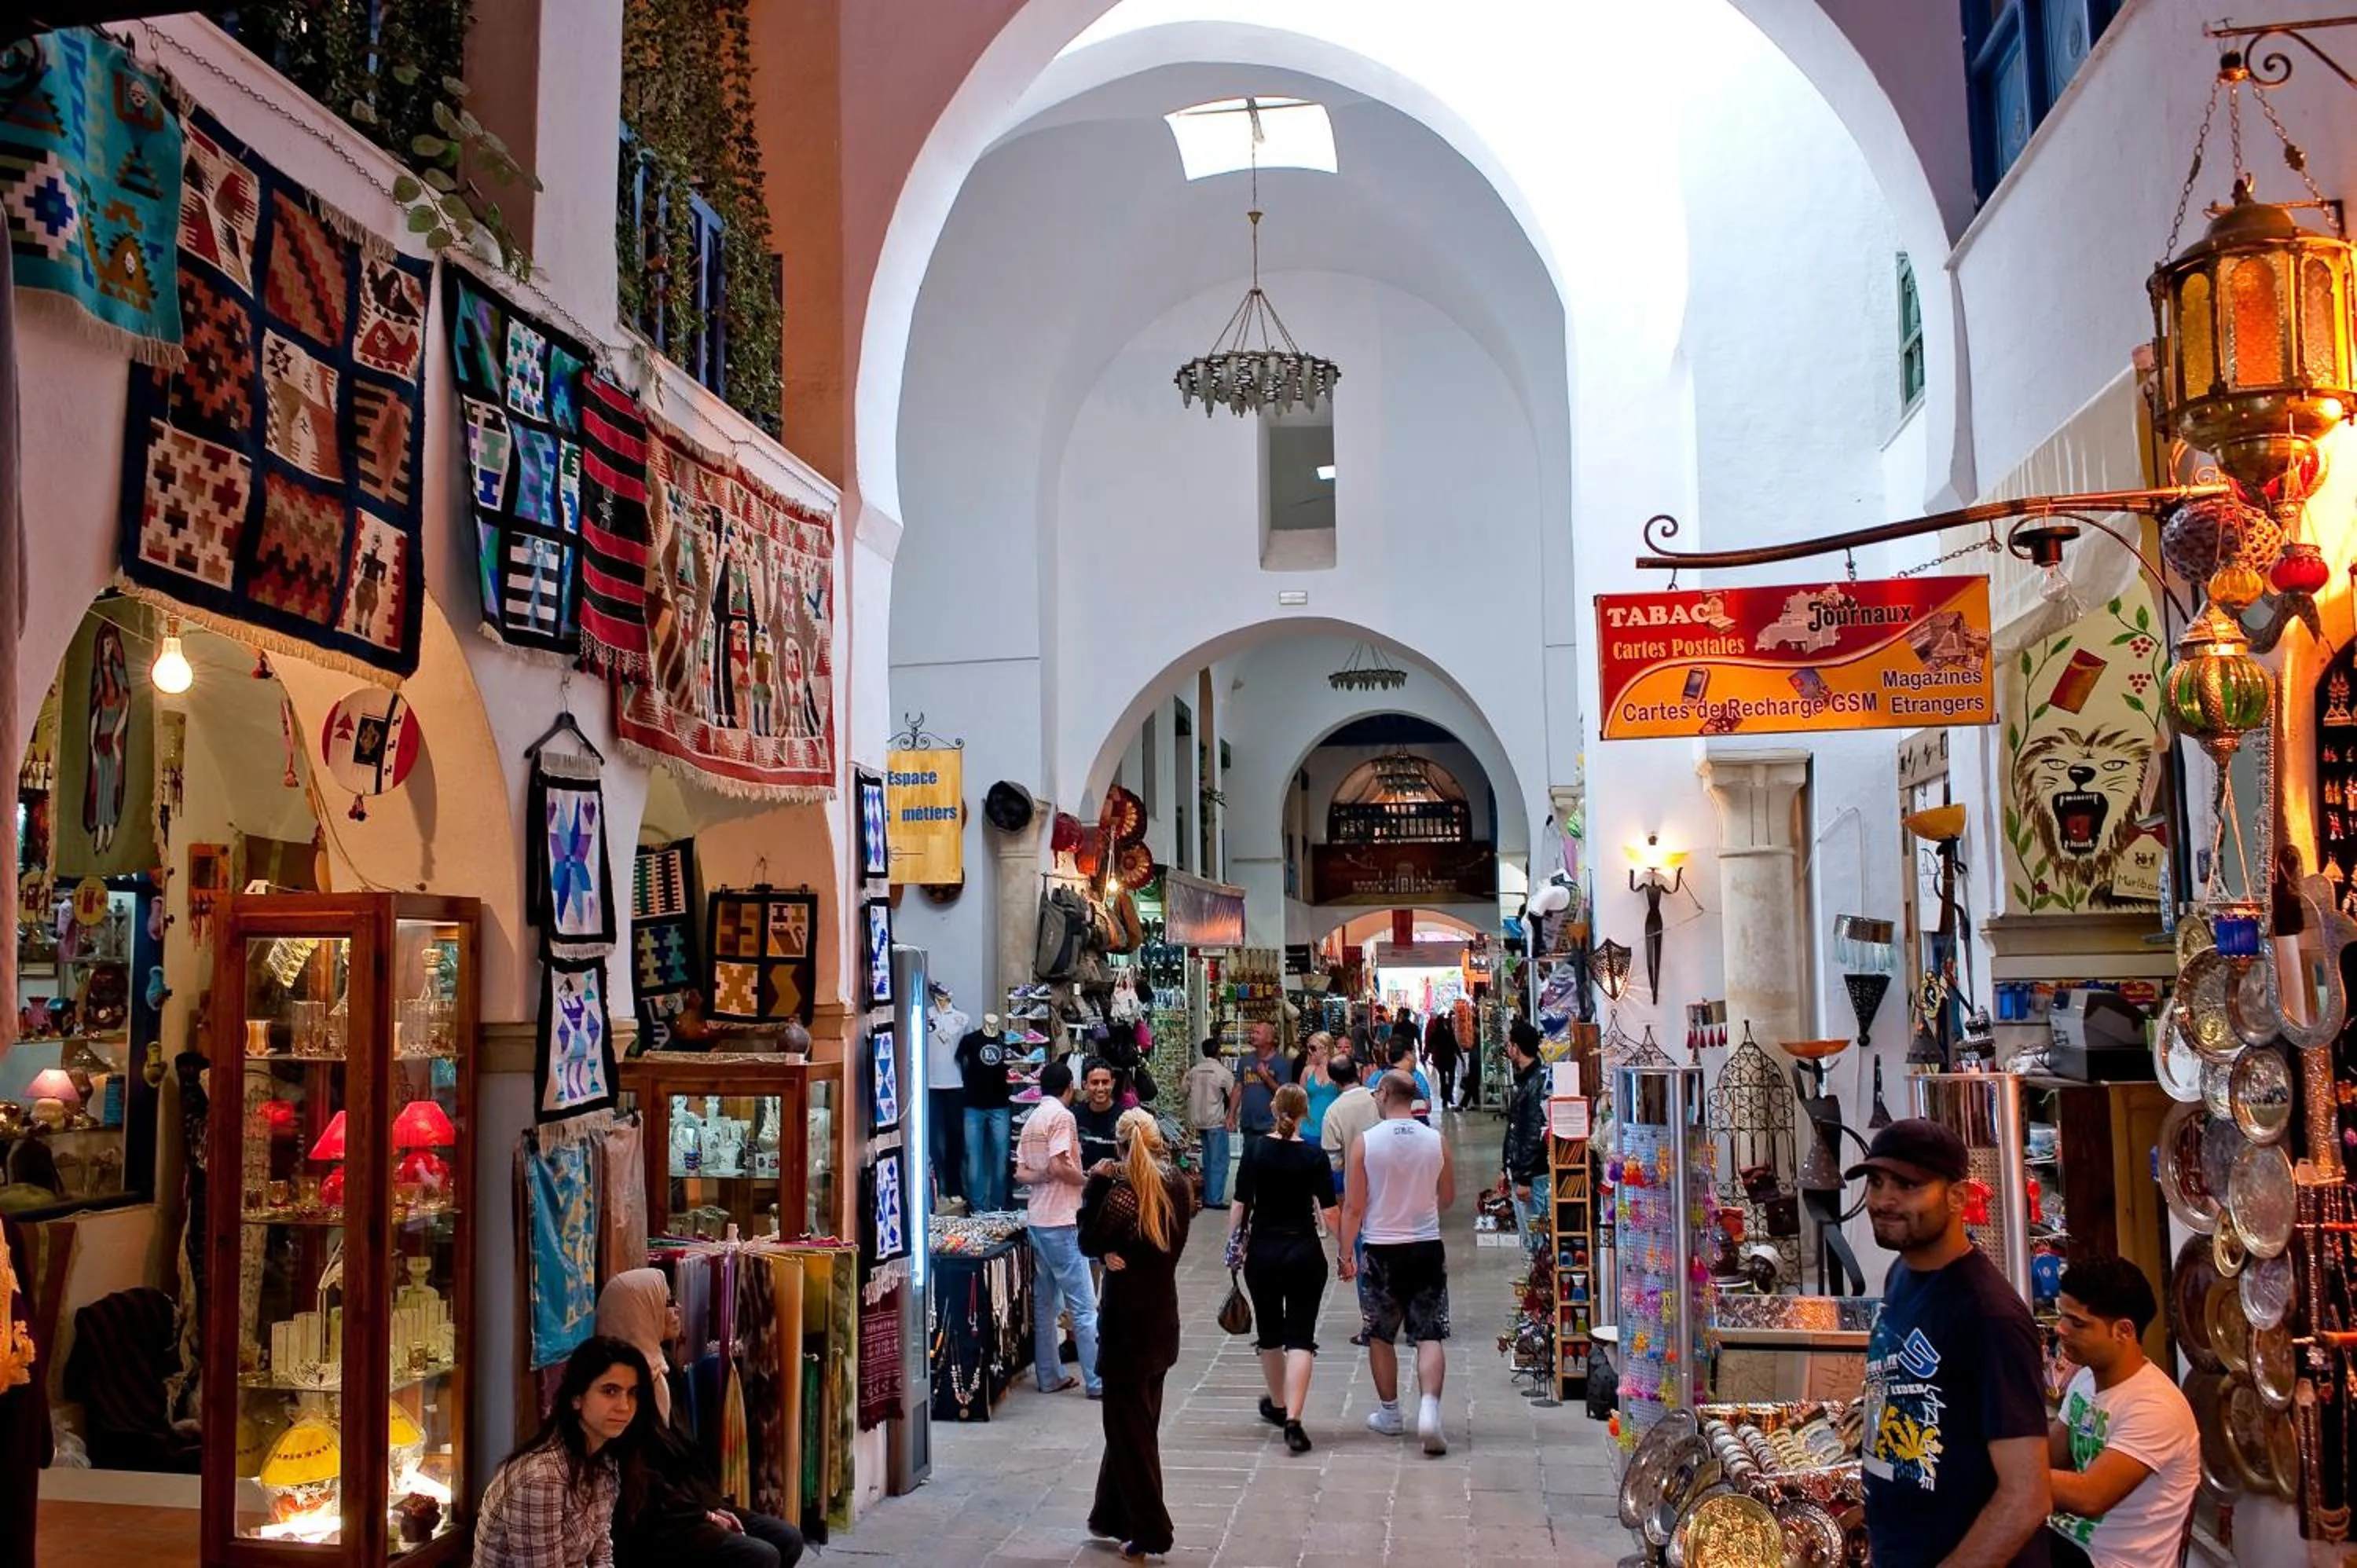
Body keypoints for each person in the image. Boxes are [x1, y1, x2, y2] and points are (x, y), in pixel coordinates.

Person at [1853, 1119, 2052, 1568]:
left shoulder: (1989, 1316)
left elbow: (2027, 1496)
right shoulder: (1902, 1275)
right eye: (1876, 1182)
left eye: (1908, 1185)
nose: (1884, 1200)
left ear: (1958, 1197)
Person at [594, 1274, 805, 1568]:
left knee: (787, 1538)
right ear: (642, 1310)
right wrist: (704, 1515)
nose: (678, 1308)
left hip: (687, 1504)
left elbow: (687, 1458)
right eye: (667, 1302)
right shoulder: (617, 1388)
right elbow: (638, 1480)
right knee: (760, 1556)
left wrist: (712, 1505)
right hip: (651, 1520)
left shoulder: (665, 1373)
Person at [1080, 1108, 1195, 1562]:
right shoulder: (1179, 1187)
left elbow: (1088, 1238)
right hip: (1162, 1315)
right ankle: (1111, 1513)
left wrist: (1096, 1183)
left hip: (1127, 1319)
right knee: (1137, 1422)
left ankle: (1151, 1529)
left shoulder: (1124, 1195)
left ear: (1121, 1146)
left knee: (1129, 1430)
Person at [2044, 1258, 2198, 1568]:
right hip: (2065, 1543)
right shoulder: (2086, 1378)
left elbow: (2091, 1496)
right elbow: (2048, 1457)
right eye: (2062, 1316)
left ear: (2123, 1331)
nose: (2060, 1329)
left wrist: (1999, 1472)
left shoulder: (2155, 1407)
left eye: (2077, 1322)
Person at [1340, 1070, 1456, 1456]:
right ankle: (1430, 1410)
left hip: (1381, 1247)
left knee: (1380, 1334)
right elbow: (1449, 1196)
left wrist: (1345, 1254)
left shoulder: (1365, 1144)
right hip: (1425, 1244)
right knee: (1429, 1332)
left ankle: (1391, 1412)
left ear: (1385, 1094)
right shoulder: (1435, 1141)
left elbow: (1354, 1206)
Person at [474, 1336, 655, 1568]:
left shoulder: (605, 1458)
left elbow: (601, 1552)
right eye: (610, 1391)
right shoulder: (541, 1478)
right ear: (577, 1398)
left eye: (632, 1393)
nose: (625, 1406)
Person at [1228, 1083, 1337, 1455]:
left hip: (1264, 1251)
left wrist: (1233, 1247)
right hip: (1305, 1250)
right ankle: (1294, 1418)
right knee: (1301, 1337)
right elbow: (1329, 1208)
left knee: (1270, 1332)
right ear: (1305, 1112)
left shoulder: (1256, 1149)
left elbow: (1240, 1204)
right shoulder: (1313, 1155)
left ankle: (1277, 1404)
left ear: (1274, 1109)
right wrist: (1349, 1251)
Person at [1017, 1060, 1099, 1398]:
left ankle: (1049, 1376)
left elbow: (1021, 1173)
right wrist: (1089, 1181)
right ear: (1069, 1087)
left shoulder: (1032, 1119)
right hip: (1062, 1219)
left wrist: (1042, 1178)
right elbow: (1059, 1164)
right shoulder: (1063, 1117)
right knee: (1083, 1305)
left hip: (1037, 1217)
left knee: (1046, 1304)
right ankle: (1097, 1380)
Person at [954, 1015, 1016, 1211]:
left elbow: (1020, 1061)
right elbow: (958, 1064)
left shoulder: (1008, 1040)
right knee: (973, 1158)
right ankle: (978, 1208)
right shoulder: (970, 1040)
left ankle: (998, 1207)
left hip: (1001, 1106)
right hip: (972, 1106)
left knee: (1001, 1158)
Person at [1500, 1020, 1550, 1259]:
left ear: (1517, 1048)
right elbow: (1515, 1128)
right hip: (1521, 1171)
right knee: (1531, 1238)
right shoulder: (1526, 1081)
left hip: (1532, 1177)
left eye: (1510, 1044)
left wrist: (1525, 1178)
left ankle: (1541, 1289)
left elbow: (1533, 1133)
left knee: (1537, 1239)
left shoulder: (1536, 1083)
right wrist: (1506, 1167)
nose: (1508, 1049)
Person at [1182, 1040, 1234, 1208]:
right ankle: (1215, 1199)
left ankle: (1208, 1196)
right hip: (1215, 1121)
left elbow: (1183, 1091)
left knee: (1208, 1158)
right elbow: (1234, 1095)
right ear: (1218, 1051)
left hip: (1199, 1120)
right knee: (1219, 1160)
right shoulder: (1222, 1072)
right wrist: (1232, 1117)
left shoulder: (1194, 1071)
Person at [1226, 1022, 1292, 1144]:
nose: (1253, 1036)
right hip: (1248, 1124)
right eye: (1252, 1033)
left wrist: (1266, 1077)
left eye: (1257, 1033)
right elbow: (1238, 1089)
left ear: (1269, 1039)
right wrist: (1231, 1115)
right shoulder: (1245, 1061)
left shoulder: (1282, 1064)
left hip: (1271, 1125)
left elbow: (1284, 1095)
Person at [1318, 1056, 1376, 1178]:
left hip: (1355, 1180)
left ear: (1333, 1081)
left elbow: (1333, 1161)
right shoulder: (1379, 1099)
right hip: (1385, 1178)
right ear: (1357, 1071)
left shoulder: (1333, 1112)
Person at [1075, 1057, 1124, 1172]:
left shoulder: (1125, 1118)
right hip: (1082, 1186)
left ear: (1113, 1083)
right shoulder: (1073, 1117)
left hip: (1116, 1187)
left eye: (1105, 1082)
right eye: (1095, 1083)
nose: (1100, 1088)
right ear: (1085, 1085)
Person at [1298, 1033, 1341, 1145]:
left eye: (1313, 1048)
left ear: (1325, 1049)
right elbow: (1299, 1101)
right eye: (1308, 1048)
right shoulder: (1307, 1071)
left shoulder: (1338, 1070)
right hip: (1308, 1128)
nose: (1309, 1051)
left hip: (1332, 1128)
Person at [1386, 1036, 1435, 1124]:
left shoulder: (1378, 1079)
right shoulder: (1412, 1085)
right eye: (1414, 1053)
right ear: (1408, 1054)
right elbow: (1424, 1112)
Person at [1425, 1009, 1461, 1111]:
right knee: (1451, 1078)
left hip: (1441, 1059)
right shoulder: (1448, 1033)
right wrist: (1461, 1058)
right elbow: (1455, 1046)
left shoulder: (1436, 1033)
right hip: (1450, 1059)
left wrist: (1426, 1055)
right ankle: (1449, 1095)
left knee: (1442, 1078)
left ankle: (1445, 1098)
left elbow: (1429, 1045)